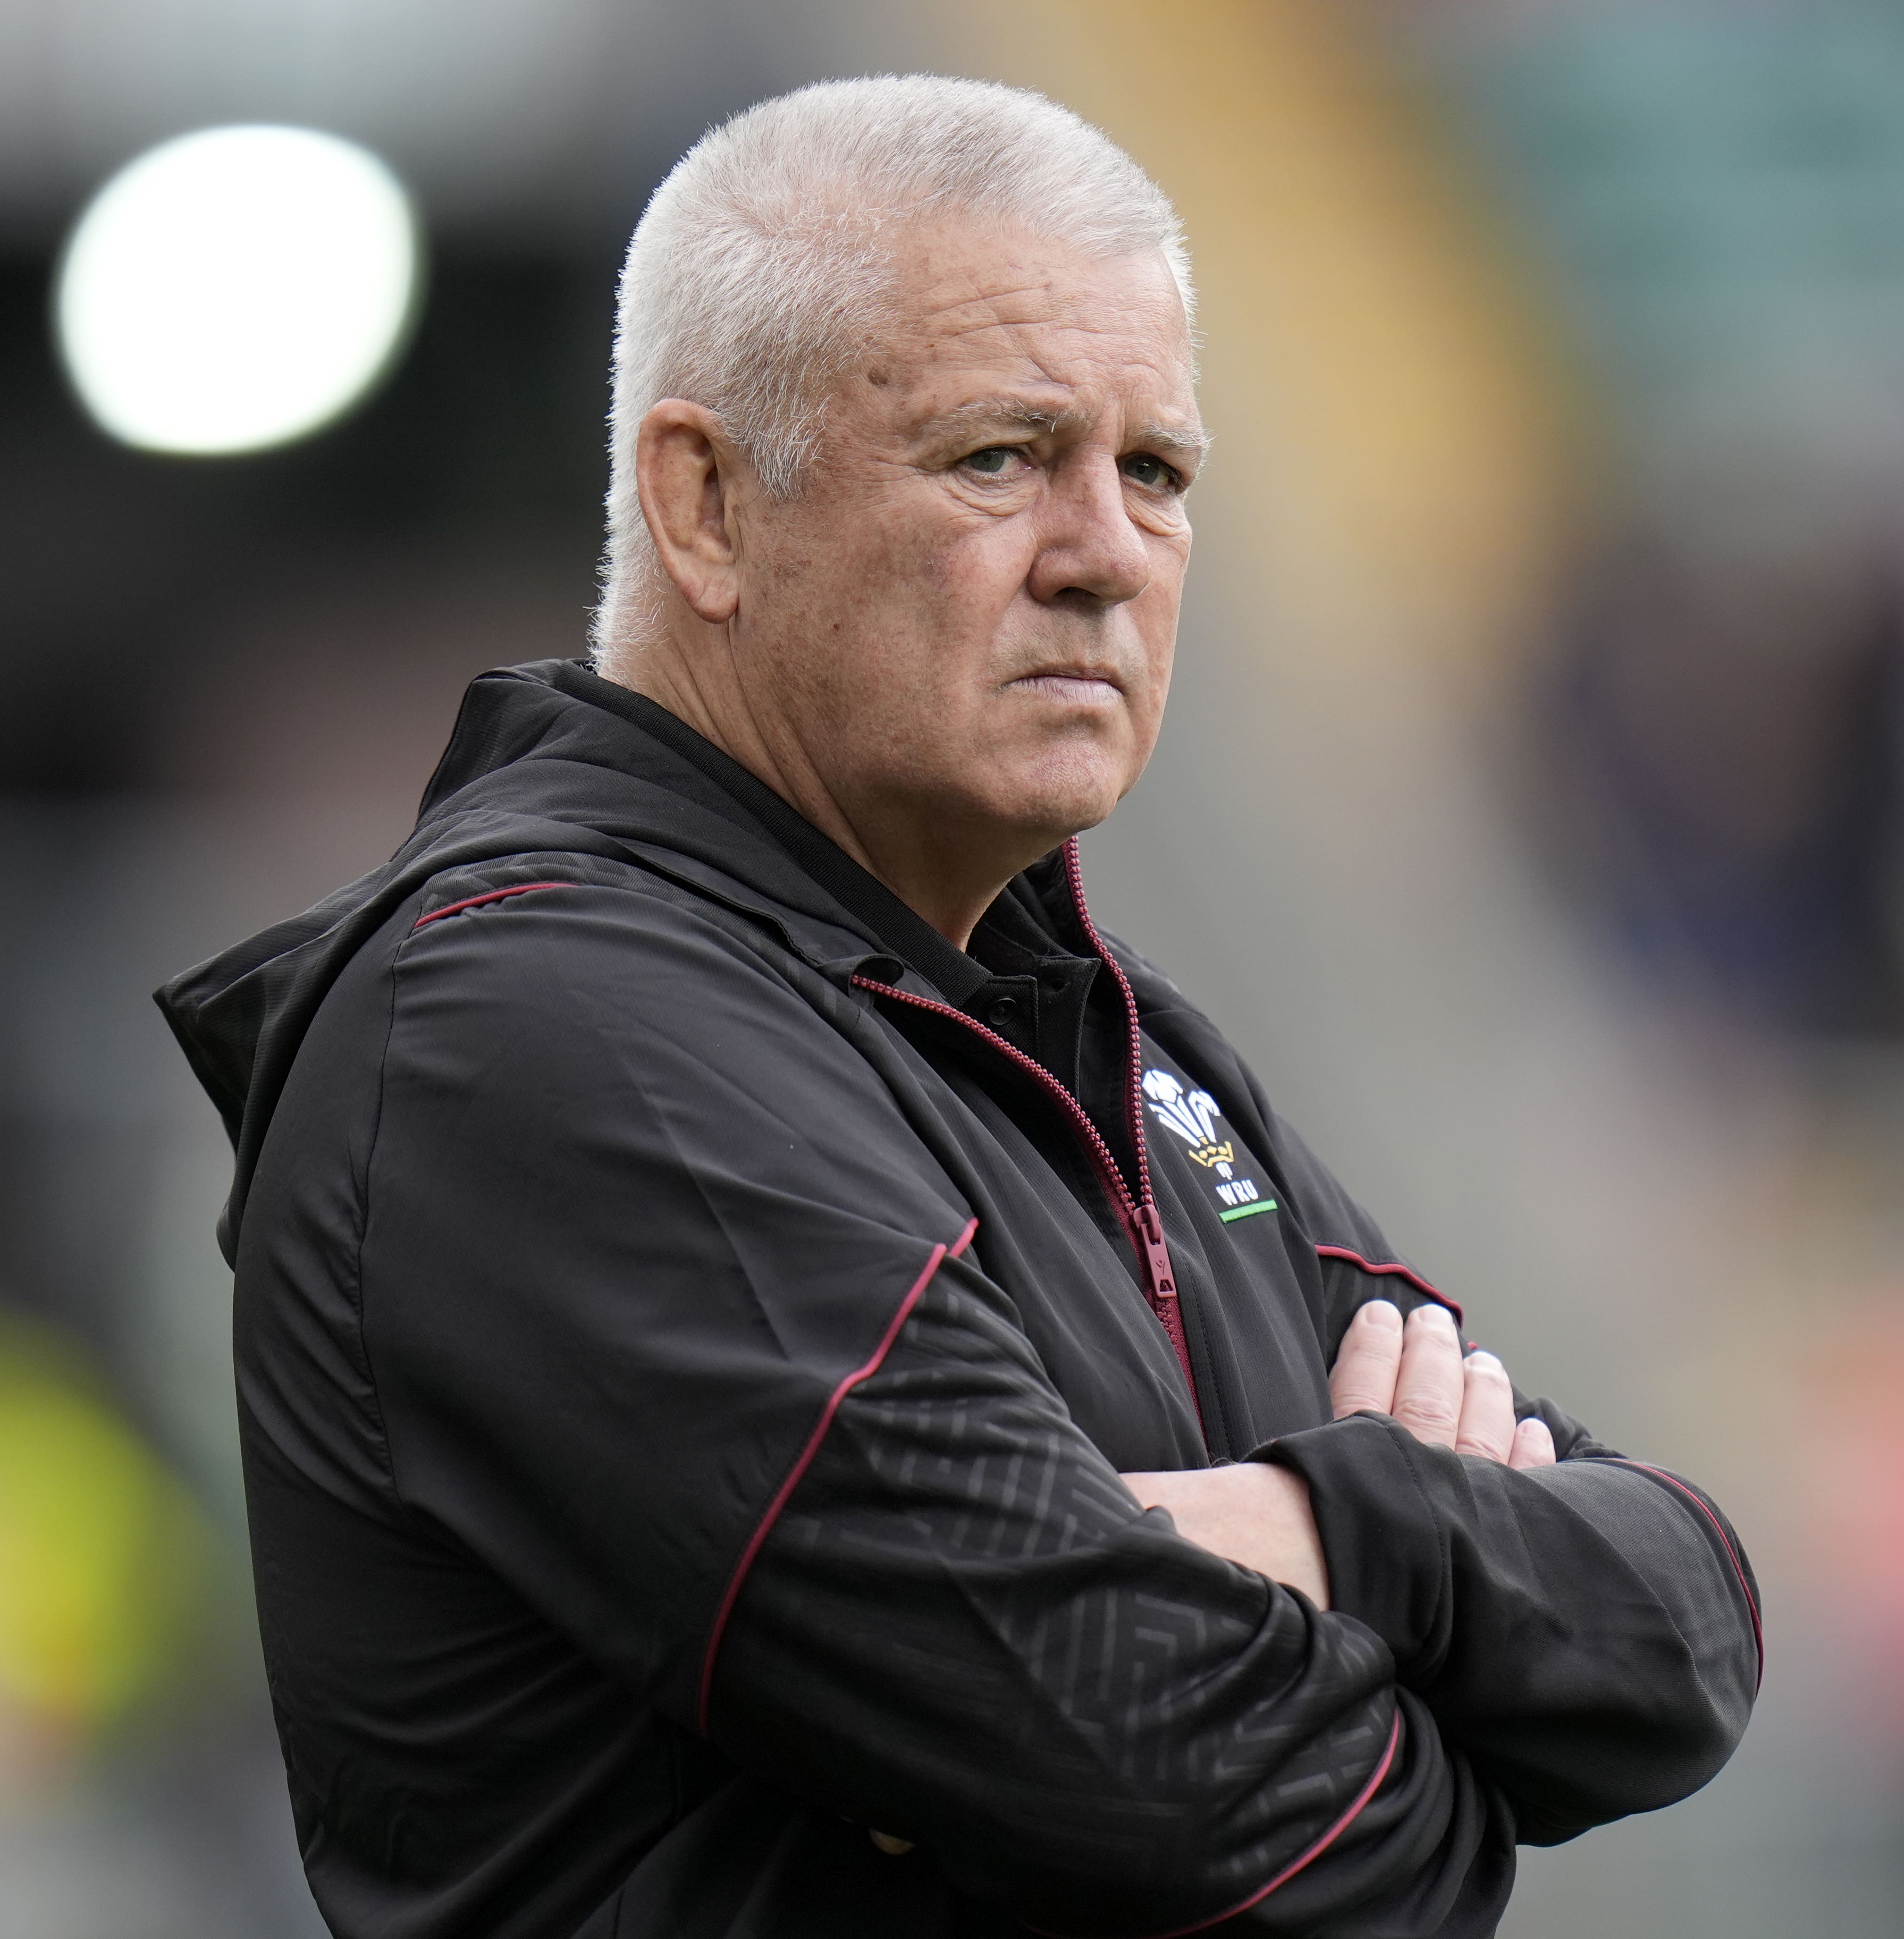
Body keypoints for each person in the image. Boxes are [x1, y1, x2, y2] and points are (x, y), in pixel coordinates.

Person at [157, 74, 1759, 1939]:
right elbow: (1240, 1829)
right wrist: (1431, 1631)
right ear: (705, 504)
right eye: (1000, 457)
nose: (1105, 553)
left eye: (1155, 471)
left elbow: (1686, 1627)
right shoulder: (525, 1028)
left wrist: (1325, 1532)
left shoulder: (1117, 1043)